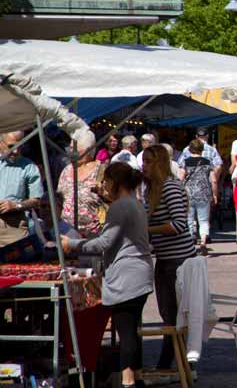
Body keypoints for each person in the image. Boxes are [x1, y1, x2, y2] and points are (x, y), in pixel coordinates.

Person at [61, 162, 153, 388]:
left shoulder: (121, 207)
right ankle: (135, 378)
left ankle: (128, 380)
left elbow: (104, 242)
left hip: (127, 275)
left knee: (126, 331)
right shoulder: (135, 204)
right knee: (131, 329)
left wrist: (72, 244)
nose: (103, 186)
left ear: (114, 182)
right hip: (139, 272)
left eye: (105, 181)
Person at [141, 145, 196, 372]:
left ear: (159, 164)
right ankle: (172, 364)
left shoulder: (170, 187)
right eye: (143, 161)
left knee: (174, 316)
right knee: (168, 315)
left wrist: (147, 229)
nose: (143, 166)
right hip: (164, 260)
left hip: (179, 261)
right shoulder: (150, 190)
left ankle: (175, 365)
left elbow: (178, 225)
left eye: (148, 162)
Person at [58, 130, 106, 238]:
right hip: (66, 234)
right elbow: (59, 198)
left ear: (88, 151)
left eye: (75, 151)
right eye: (70, 149)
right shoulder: (66, 170)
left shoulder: (101, 170)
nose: (71, 153)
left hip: (93, 236)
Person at [0, 131, 44, 245]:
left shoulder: (29, 167)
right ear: (0, 143)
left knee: (15, 263)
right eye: (11, 146)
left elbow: (37, 200)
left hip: (14, 228)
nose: (15, 151)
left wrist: (16, 205)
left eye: (20, 146)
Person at [178, 139, 217, 256]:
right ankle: (203, 242)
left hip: (188, 194)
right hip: (204, 194)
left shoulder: (185, 162)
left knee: (189, 220)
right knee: (204, 220)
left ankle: (190, 244)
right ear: (202, 149)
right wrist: (215, 194)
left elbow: (180, 178)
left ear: (190, 149)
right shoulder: (207, 162)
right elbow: (214, 180)